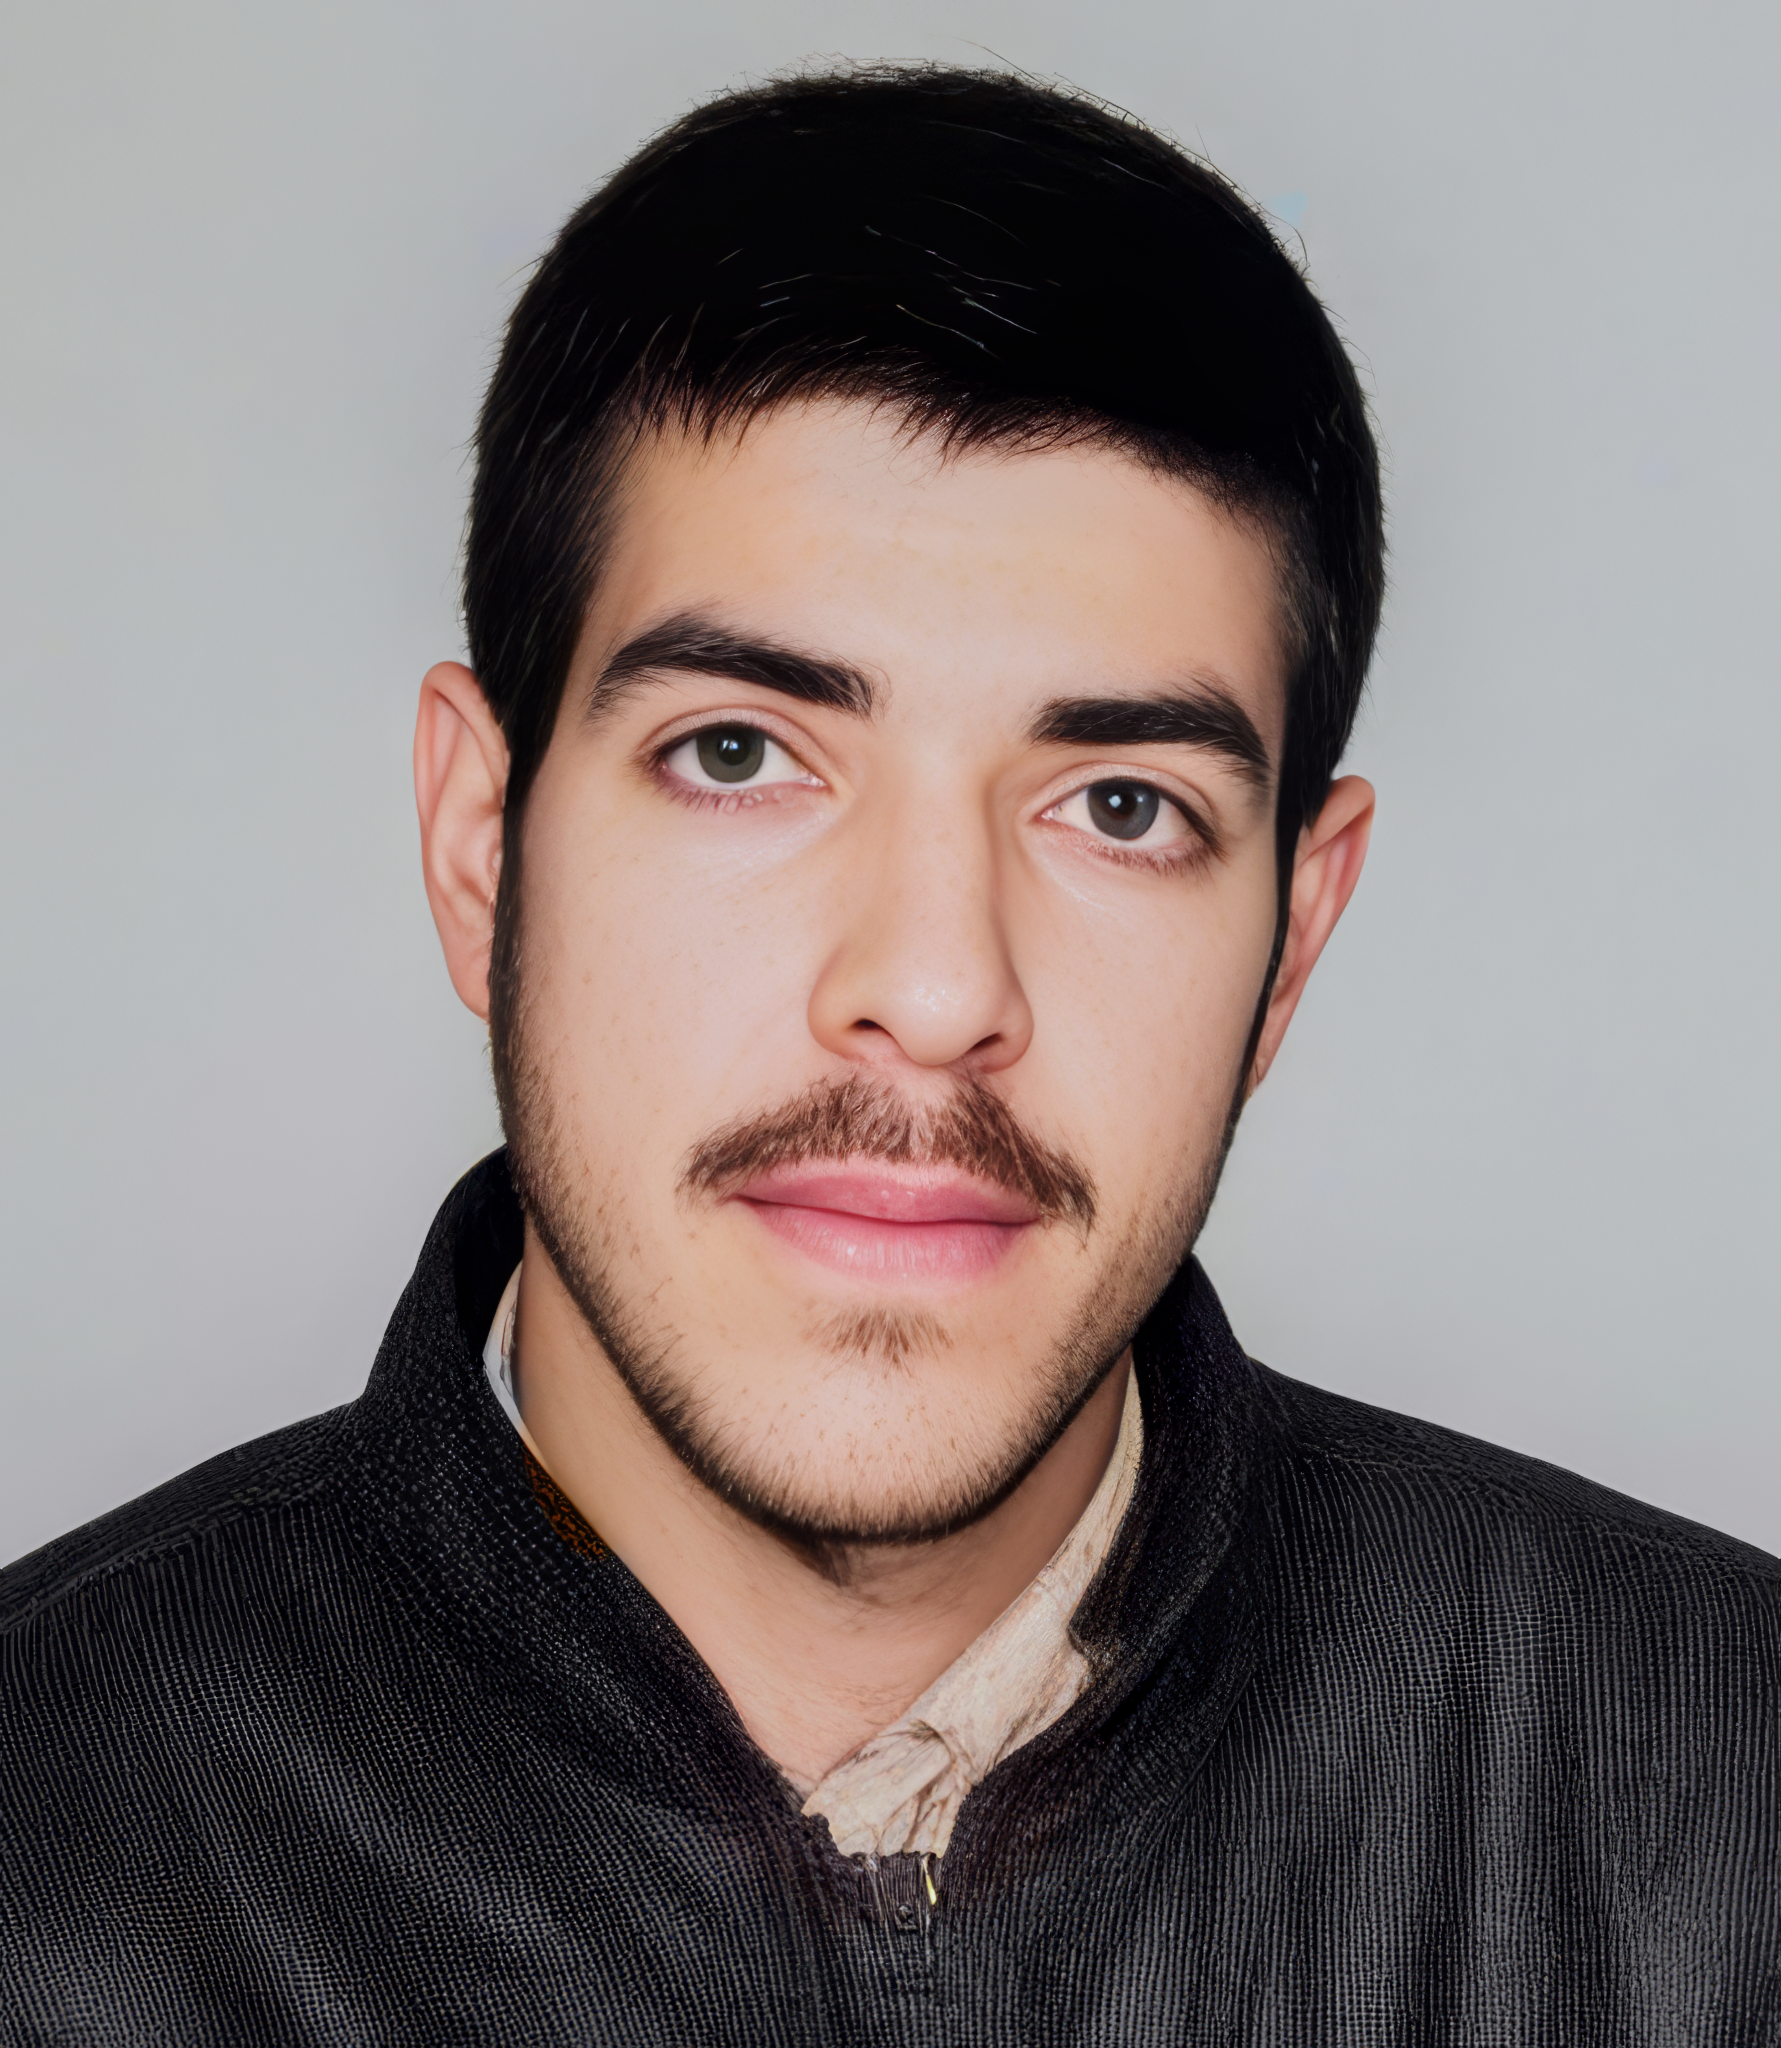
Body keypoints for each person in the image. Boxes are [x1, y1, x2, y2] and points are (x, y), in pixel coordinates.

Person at [2, 63, 1775, 2045]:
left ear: (1292, 932)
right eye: (738, 753)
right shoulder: (40, 1862)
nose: (933, 990)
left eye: (1119, 806)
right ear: (481, 846)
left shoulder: (1731, 1839)